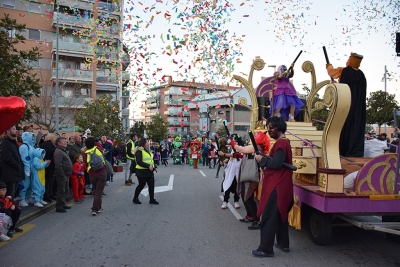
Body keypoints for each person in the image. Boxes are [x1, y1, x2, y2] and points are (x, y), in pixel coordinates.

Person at [252, 116, 294, 257]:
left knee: (269, 218)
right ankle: (283, 244)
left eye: (272, 127)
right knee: (281, 215)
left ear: (279, 128)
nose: (269, 130)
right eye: (268, 127)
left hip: (277, 186)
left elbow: (276, 164)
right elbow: (277, 162)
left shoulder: (281, 144)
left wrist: (261, 160)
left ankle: (265, 249)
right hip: (282, 185)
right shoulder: (284, 142)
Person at [326, 52, 367, 157]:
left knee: (343, 126)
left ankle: (342, 150)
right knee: (355, 128)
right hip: (357, 109)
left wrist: (328, 66)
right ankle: (355, 151)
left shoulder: (344, 71)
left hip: (345, 105)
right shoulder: (362, 76)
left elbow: (332, 73)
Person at [0, 126, 25, 200]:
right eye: (14, 129)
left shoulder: (13, 143)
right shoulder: (5, 143)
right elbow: (7, 157)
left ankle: (12, 208)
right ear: (8, 131)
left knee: (13, 194)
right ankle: (8, 210)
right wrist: (17, 165)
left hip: (15, 173)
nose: (16, 131)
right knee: (9, 194)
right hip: (9, 173)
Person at [132, 138, 159, 205]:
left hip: (149, 171)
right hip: (141, 171)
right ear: (143, 143)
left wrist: (154, 167)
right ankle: (135, 198)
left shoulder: (147, 150)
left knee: (151, 185)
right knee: (141, 185)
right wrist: (148, 166)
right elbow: (139, 161)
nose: (148, 143)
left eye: (148, 142)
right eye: (146, 142)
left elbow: (150, 160)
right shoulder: (139, 151)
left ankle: (152, 199)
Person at [85, 137, 107, 216]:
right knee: (99, 191)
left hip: (92, 173)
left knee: (97, 191)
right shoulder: (97, 149)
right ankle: (94, 208)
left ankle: (99, 207)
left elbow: (86, 163)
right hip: (101, 172)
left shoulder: (86, 153)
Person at [53, 137, 73, 213]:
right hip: (62, 175)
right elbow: (58, 165)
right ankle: (58, 206)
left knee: (66, 190)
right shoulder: (58, 152)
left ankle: (63, 203)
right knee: (61, 191)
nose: (65, 143)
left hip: (66, 174)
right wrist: (62, 175)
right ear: (59, 143)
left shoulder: (63, 151)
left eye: (66, 141)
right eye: (63, 141)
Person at [18, 131, 35, 207]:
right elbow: (25, 159)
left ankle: (28, 197)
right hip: (26, 169)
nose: (33, 139)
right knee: (24, 184)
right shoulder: (24, 147)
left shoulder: (31, 146)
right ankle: (22, 199)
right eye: (31, 137)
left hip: (32, 169)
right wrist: (27, 170)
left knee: (30, 185)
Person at [40, 133, 57, 203]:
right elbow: (50, 152)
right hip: (48, 164)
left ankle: (50, 193)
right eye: (54, 138)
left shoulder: (51, 145)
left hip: (50, 164)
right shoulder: (47, 145)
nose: (55, 139)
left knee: (51, 180)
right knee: (48, 180)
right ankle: (46, 195)